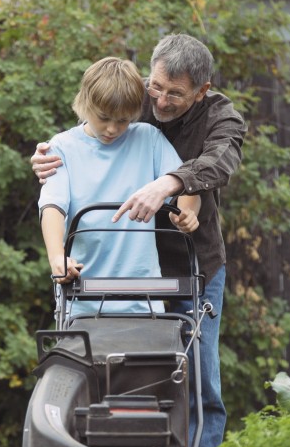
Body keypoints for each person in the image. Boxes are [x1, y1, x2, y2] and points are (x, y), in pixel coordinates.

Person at [32, 34, 246, 447]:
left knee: (195, 374)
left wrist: (179, 195)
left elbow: (215, 168)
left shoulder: (214, 118)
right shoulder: (132, 100)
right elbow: (60, 186)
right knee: (112, 370)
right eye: (156, 87)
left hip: (189, 263)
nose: (161, 99)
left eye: (175, 94)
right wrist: (45, 158)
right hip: (109, 271)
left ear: (200, 91)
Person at [38, 56, 201, 320]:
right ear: (85, 103)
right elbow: (52, 206)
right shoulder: (62, 147)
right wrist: (58, 258)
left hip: (144, 298)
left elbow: (184, 183)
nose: (112, 129)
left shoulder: (148, 139)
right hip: (82, 297)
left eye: (123, 121)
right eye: (104, 118)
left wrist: (186, 212)